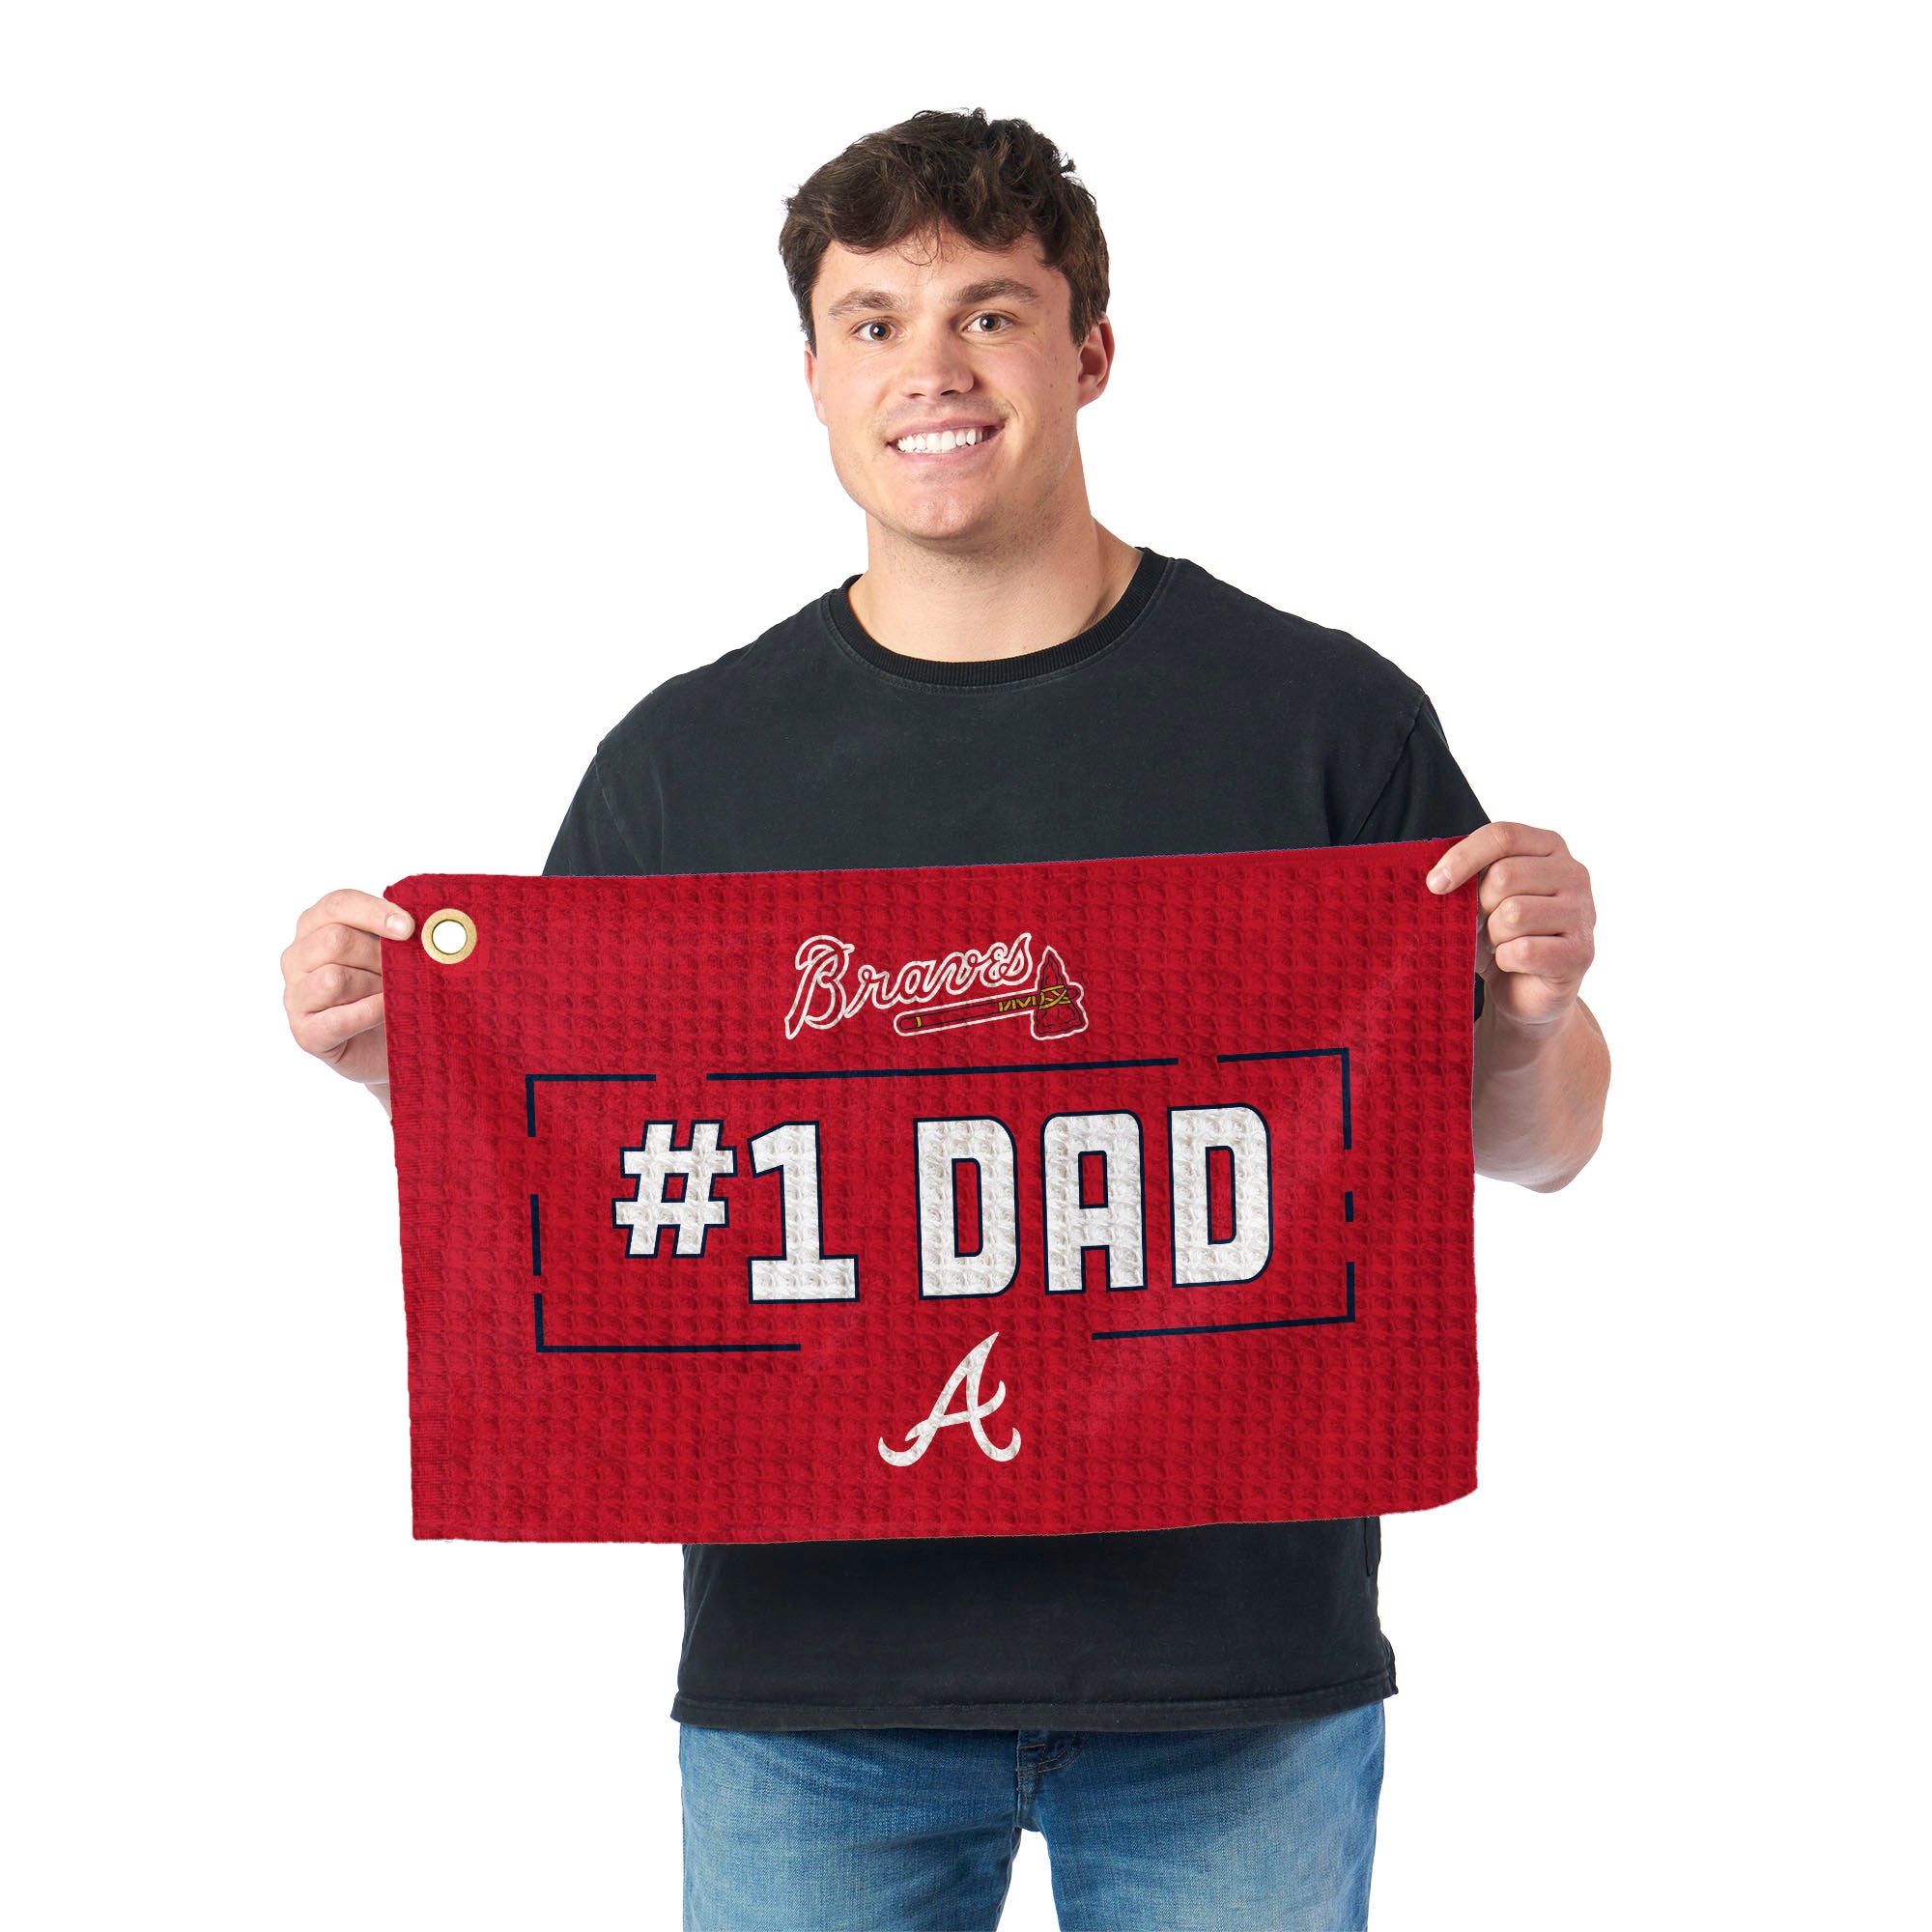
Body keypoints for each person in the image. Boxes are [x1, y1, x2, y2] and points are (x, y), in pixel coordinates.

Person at [282, 108, 1609, 1932]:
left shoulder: (1319, 717)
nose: (934, 369)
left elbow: (1542, 1142)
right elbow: (585, 1167)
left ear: (1091, 351)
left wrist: (1529, 1014)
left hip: (1239, 1679)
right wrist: (406, 1065)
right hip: (814, 1694)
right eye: (875, 321)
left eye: (991, 312)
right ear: (815, 376)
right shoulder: (689, 765)